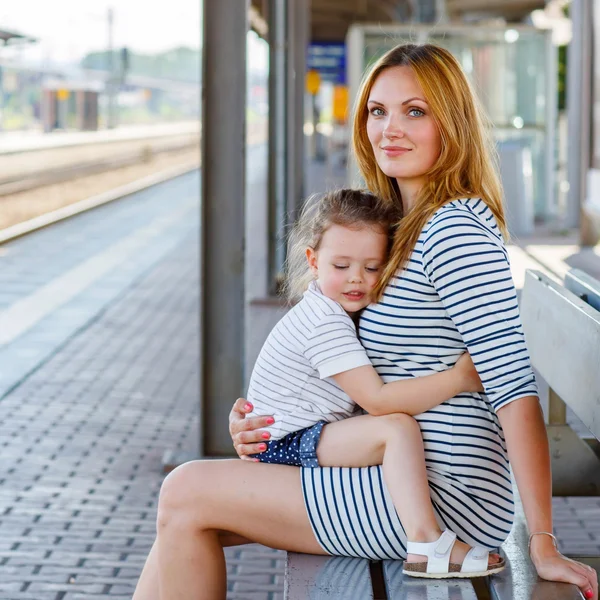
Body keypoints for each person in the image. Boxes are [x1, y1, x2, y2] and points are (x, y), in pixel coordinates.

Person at [132, 43, 598, 600]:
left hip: (442, 498)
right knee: (184, 512)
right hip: (396, 474)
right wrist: (271, 419)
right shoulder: (399, 226)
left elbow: (513, 389)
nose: (389, 129)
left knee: (186, 491)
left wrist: (542, 540)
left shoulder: (455, 233)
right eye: (378, 111)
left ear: (452, 124)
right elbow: (353, 366)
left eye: (415, 111)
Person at [247, 186, 498, 578]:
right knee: (395, 429)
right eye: (341, 266)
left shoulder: (330, 309)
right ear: (313, 260)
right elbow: (378, 399)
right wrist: (459, 379)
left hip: (296, 434)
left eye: (371, 267)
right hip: (286, 441)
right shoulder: (324, 323)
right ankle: (426, 541)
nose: (356, 280)